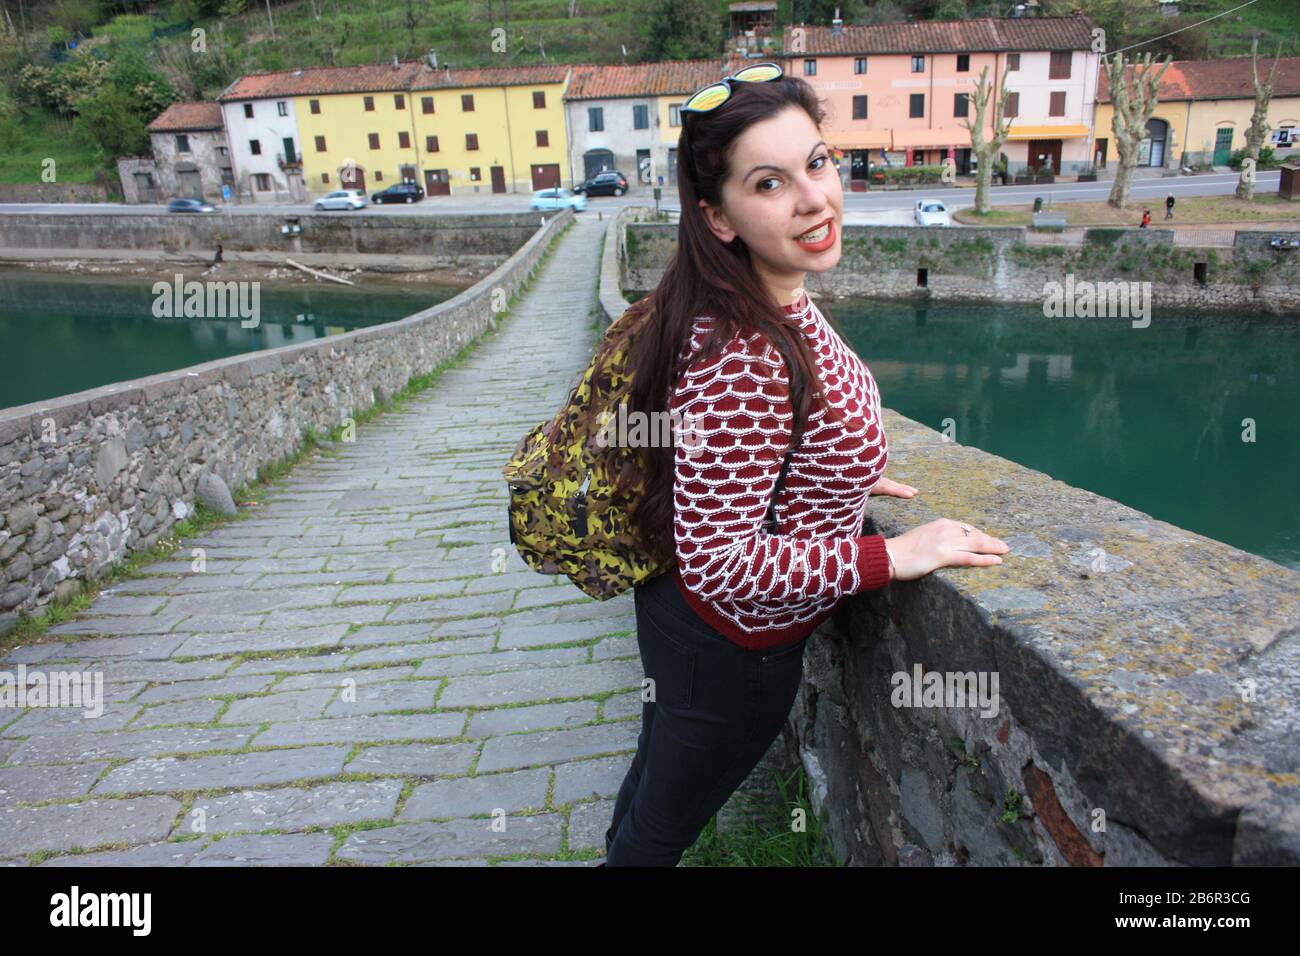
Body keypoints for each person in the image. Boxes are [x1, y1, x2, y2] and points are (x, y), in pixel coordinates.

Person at [594, 63, 1009, 867]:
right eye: (770, 183)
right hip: (726, 652)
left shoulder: (761, 294)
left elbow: (756, 447)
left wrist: (841, 469)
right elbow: (719, 559)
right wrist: (891, 554)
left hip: (690, 632)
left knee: (653, 788)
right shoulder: (743, 351)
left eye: (817, 163)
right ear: (718, 217)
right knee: (657, 832)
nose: (815, 197)